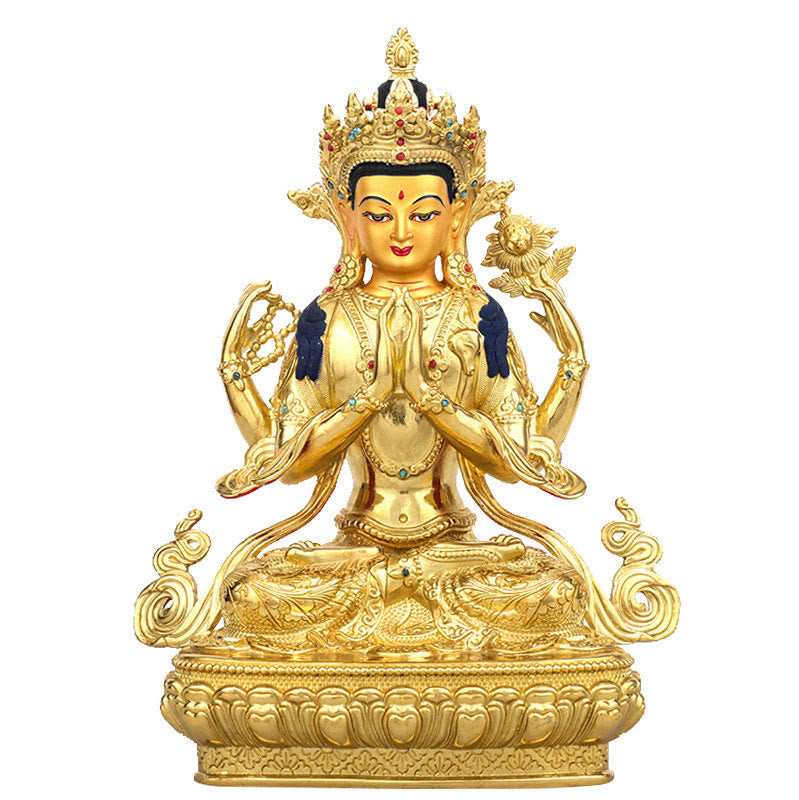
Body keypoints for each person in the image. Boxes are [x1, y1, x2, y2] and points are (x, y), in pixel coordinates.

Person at [211, 67, 593, 653]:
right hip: (355, 547)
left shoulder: (478, 318)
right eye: (378, 214)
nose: (400, 231)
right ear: (347, 218)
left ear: (456, 217)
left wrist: (429, 394)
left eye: (422, 213)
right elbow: (290, 464)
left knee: (553, 591)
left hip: (453, 550)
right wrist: (361, 394)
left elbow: (514, 461)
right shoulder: (326, 321)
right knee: (254, 595)